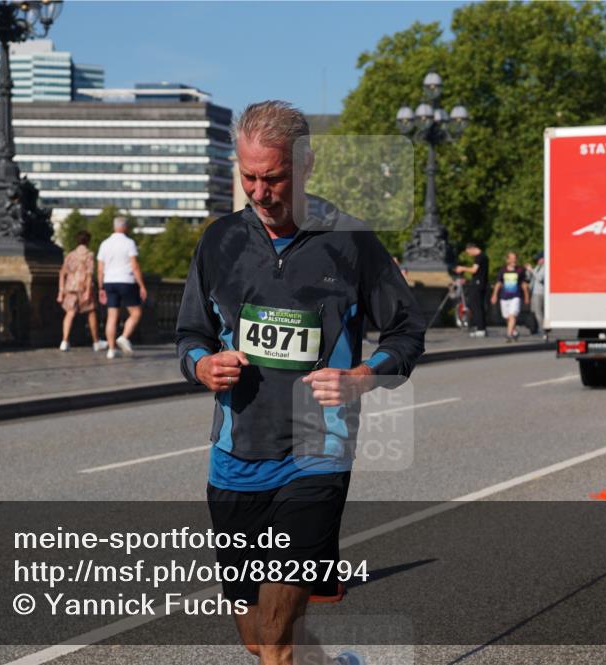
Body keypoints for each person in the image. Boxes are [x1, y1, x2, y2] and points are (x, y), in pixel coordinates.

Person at [176, 100, 425, 665]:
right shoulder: (219, 241)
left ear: (306, 164)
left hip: (318, 452)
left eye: (274, 178)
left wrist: (363, 376)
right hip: (235, 455)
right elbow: (190, 331)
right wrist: (200, 365)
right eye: (248, 178)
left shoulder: (351, 241)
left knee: (277, 638)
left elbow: (408, 331)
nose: (259, 193)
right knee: (257, 635)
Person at [97, 216, 147, 359]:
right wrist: (142, 285)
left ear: (114, 227)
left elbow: (100, 268)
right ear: (124, 227)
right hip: (126, 281)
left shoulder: (104, 244)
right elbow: (135, 266)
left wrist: (101, 288)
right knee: (136, 312)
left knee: (112, 316)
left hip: (109, 282)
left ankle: (111, 350)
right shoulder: (129, 243)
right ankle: (124, 337)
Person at [57, 230, 107, 352]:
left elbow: (62, 273)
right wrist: (88, 291)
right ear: (88, 241)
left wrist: (61, 291)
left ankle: (64, 341)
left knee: (70, 313)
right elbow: (89, 274)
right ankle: (96, 342)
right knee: (91, 313)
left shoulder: (70, 255)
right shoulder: (89, 255)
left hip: (70, 287)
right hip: (83, 287)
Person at [491, 251, 530, 342]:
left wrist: (526, 296)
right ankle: (514, 331)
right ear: (507, 259)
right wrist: (494, 295)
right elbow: (499, 283)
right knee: (506, 317)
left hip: (515, 297)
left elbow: (523, 284)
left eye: (515, 258)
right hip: (504, 297)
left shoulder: (520, 270)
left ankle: (509, 334)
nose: (513, 260)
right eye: (511, 258)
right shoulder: (502, 270)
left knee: (512, 315)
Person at [453, 242, 489, 337]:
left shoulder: (479, 257)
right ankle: (481, 327)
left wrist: (462, 268)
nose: (469, 255)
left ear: (472, 248)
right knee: (478, 305)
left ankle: (481, 329)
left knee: (475, 305)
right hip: (480, 283)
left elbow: (474, 270)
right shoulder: (484, 256)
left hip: (478, 284)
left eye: (468, 252)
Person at [529, 252, 545, 336]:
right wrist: (529, 271)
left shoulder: (545, 268)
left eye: (538, 259)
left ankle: (542, 329)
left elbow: (539, 278)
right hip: (534, 292)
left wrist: (532, 270)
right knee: (534, 311)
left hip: (540, 293)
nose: (537, 260)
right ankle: (535, 329)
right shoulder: (538, 267)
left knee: (539, 312)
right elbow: (531, 277)